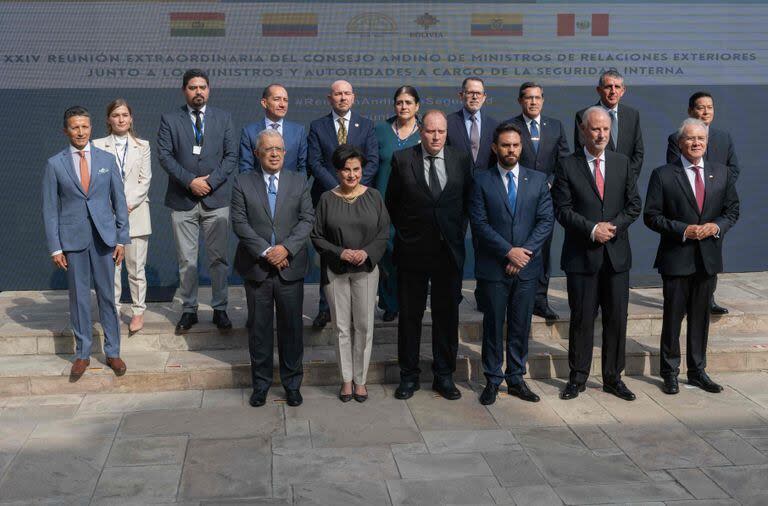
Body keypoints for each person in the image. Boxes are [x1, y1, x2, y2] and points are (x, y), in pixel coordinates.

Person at [552, 106, 641, 401]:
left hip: (616, 256)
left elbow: (633, 205)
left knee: (617, 319)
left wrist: (611, 228)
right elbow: (562, 210)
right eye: (595, 129)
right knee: (582, 320)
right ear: (583, 131)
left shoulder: (622, 162)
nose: (601, 134)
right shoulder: (567, 165)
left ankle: (613, 378)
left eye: (605, 129)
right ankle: (577, 378)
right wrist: (592, 230)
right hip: (582, 256)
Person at [644, 118, 739, 395]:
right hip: (676, 257)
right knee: (673, 319)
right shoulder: (662, 174)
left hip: (708, 258)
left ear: (707, 143)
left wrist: (717, 226)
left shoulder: (721, 173)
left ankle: (697, 371)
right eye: (690, 138)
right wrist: (684, 230)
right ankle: (669, 372)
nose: (696, 143)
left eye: (701, 139)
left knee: (701, 319)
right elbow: (651, 216)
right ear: (679, 142)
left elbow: (732, 211)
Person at [386, 110, 472, 401]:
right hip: (412, 252)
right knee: (410, 317)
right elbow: (392, 204)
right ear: (420, 131)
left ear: (447, 133)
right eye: (430, 131)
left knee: (446, 317)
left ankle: (444, 376)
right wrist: (409, 235)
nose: (436, 137)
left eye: (441, 132)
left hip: (448, 252)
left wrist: (455, 234)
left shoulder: (461, 159)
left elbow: (466, 204)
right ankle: (408, 376)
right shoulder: (402, 159)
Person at [42, 106, 129, 380]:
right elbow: (50, 209)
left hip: (105, 239)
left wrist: (121, 239)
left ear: (91, 128)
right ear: (66, 130)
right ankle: (82, 354)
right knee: (79, 298)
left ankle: (113, 352)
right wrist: (56, 246)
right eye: (75, 127)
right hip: (73, 240)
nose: (80, 132)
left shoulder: (106, 158)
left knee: (107, 296)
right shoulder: (55, 164)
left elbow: (120, 202)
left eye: (85, 127)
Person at [470, 123, 554, 405]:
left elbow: (545, 221)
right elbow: (479, 224)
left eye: (515, 145)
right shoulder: (481, 180)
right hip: (494, 267)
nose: (511, 150)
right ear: (495, 148)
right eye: (505, 145)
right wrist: (509, 252)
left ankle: (516, 378)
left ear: (522, 147)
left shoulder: (538, 180)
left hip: (527, 269)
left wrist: (523, 254)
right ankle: (492, 380)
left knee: (520, 325)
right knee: (493, 325)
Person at [231, 130, 314, 408]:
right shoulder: (243, 182)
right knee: (260, 330)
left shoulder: (299, 181)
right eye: (268, 149)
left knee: (292, 329)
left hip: (290, 267)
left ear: (286, 153)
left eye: (279, 148)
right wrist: (268, 252)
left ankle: (292, 385)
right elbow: (240, 223)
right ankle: (261, 385)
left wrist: (286, 249)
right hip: (257, 268)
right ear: (257, 154)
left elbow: (307, 219)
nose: (275, 153)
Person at [157, 69, 237, 333]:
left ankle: (220, 309)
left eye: (203, 87)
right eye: (193, 87)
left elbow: (230, 157)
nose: (198, 92)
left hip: (217, 199)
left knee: (218, 259)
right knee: (187, 260)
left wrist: (210, 182)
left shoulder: (223, 118)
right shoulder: (170, 119)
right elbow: (165, 157)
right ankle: (189, 309)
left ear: (209, 90)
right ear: (184, 91)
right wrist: (191, 181)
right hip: (183, 198)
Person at [312, 145, 390, 403]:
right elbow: (317, 236)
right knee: (342, 327)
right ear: (337, 171)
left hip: (366, 271)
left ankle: (361, 380)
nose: (352, 175)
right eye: (346, 169)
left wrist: (366, 253)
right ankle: (346, 380)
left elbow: (383, 233)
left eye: (356, 169)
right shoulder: (326, 199)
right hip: (336, 270)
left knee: (364, 326)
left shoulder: (375, 197)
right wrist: (340, 252)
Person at [307, 80, 379, 329]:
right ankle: (325, 308)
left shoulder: (367, 126)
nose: (342, 98)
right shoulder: (318, 126)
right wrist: (337, 187)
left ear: (354, 97)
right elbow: (314, 163)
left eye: (347, 93)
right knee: (330, 252)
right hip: (329, 199)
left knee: (357, 251)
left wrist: (355, 188)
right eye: (338, 94)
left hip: (360, 200)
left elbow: (372, 161)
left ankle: (355, 309)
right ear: (330, 98)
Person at [666, 91, 740, 315]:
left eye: (709, 107)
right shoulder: (676, 137)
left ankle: (709, 298)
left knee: (712, 253)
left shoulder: (723, 137)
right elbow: (672, 171)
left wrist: (716, 189)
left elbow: (733, 169)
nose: (705, 111)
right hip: (688, 207)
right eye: (700, 107)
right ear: (690, 111)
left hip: (715, 208)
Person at [507, 82, 570, 321]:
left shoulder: (555, 126)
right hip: (519, 197)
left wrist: (551, 181)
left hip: (546, 198)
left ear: (543, 100)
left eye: (537, 97)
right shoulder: (511, 126)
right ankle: (517, 296)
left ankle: (540, 300)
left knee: (542, 249)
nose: (533, 102)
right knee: (518, 244)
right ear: (520, 101)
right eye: (528, 98)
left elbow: (563, 161)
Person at [93, 99, 152, 334]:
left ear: (131, 118)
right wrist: (112, 205)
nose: (121, 119)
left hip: (135, 213)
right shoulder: (96, 145)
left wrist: (125, 204)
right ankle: (114, 311)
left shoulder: (142, 145)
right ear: (108, 119)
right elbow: (96, 180)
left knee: (136, 268)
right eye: (116, 115)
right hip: (107, 215)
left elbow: (144, 180)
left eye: (125, 115)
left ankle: (138, 311)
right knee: (112, 269)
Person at [374, 85, 422, 322]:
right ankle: (389, 303)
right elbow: (371, 166)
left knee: (410, 259)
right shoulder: (380, 130)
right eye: (399, 102)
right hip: (383, 205)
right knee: (388, 257)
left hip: (414, 208)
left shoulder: (424, 132)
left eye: (408, 102)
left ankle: (408, 302)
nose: (403, 107)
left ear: (417, 106)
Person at [574, 70, 644, 180]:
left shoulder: (632, 115)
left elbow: (638, 153)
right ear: (599, 90)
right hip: (596, 180)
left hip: (626, 183)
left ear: (623, 91)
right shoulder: (584, 115)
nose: (613, 91)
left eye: (617, 87)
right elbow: (582, 151)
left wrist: (628, 180)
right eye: (608, 87)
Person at [238, 83, 307, 175]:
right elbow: (245, 168)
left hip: (291, 188)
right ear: (264, 103)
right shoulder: (249, 132)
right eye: (277, 99)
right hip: (258, 188)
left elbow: (303, 168)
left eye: (285, 100)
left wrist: (296, 188)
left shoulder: (298, 131)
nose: (282, 104)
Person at [447, 77, 499, 173]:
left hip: (485, 184)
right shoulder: (447, 123)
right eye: (470, 92)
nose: (475, 97)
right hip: (457, 184)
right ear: (461, 95)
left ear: (484, 97)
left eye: (478, 93)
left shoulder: (495, 126)